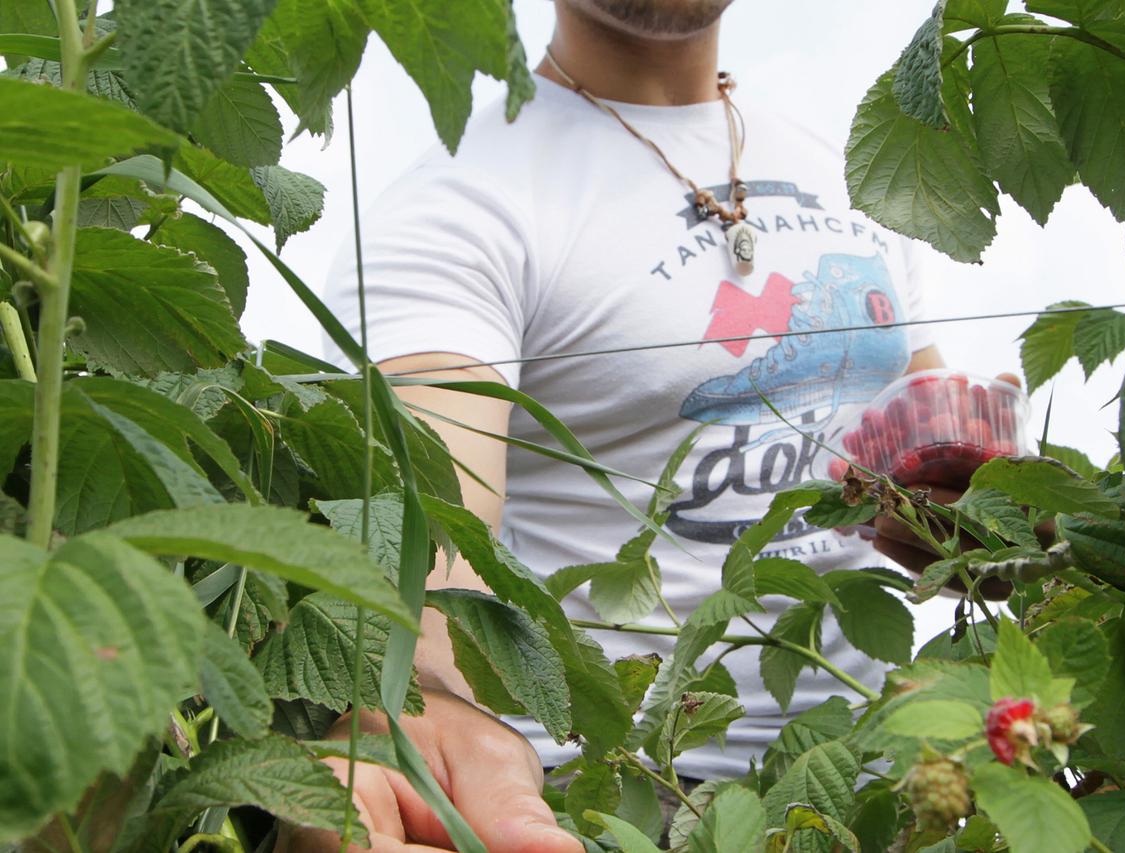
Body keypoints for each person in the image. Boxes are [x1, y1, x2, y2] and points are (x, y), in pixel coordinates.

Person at [282, 1, 997, 850]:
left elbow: (924, 443)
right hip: (613, 797)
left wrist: (994, 521)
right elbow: (430, 516)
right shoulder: (449, 209)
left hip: (884, 770)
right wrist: (418, 695)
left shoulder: (852, 171)